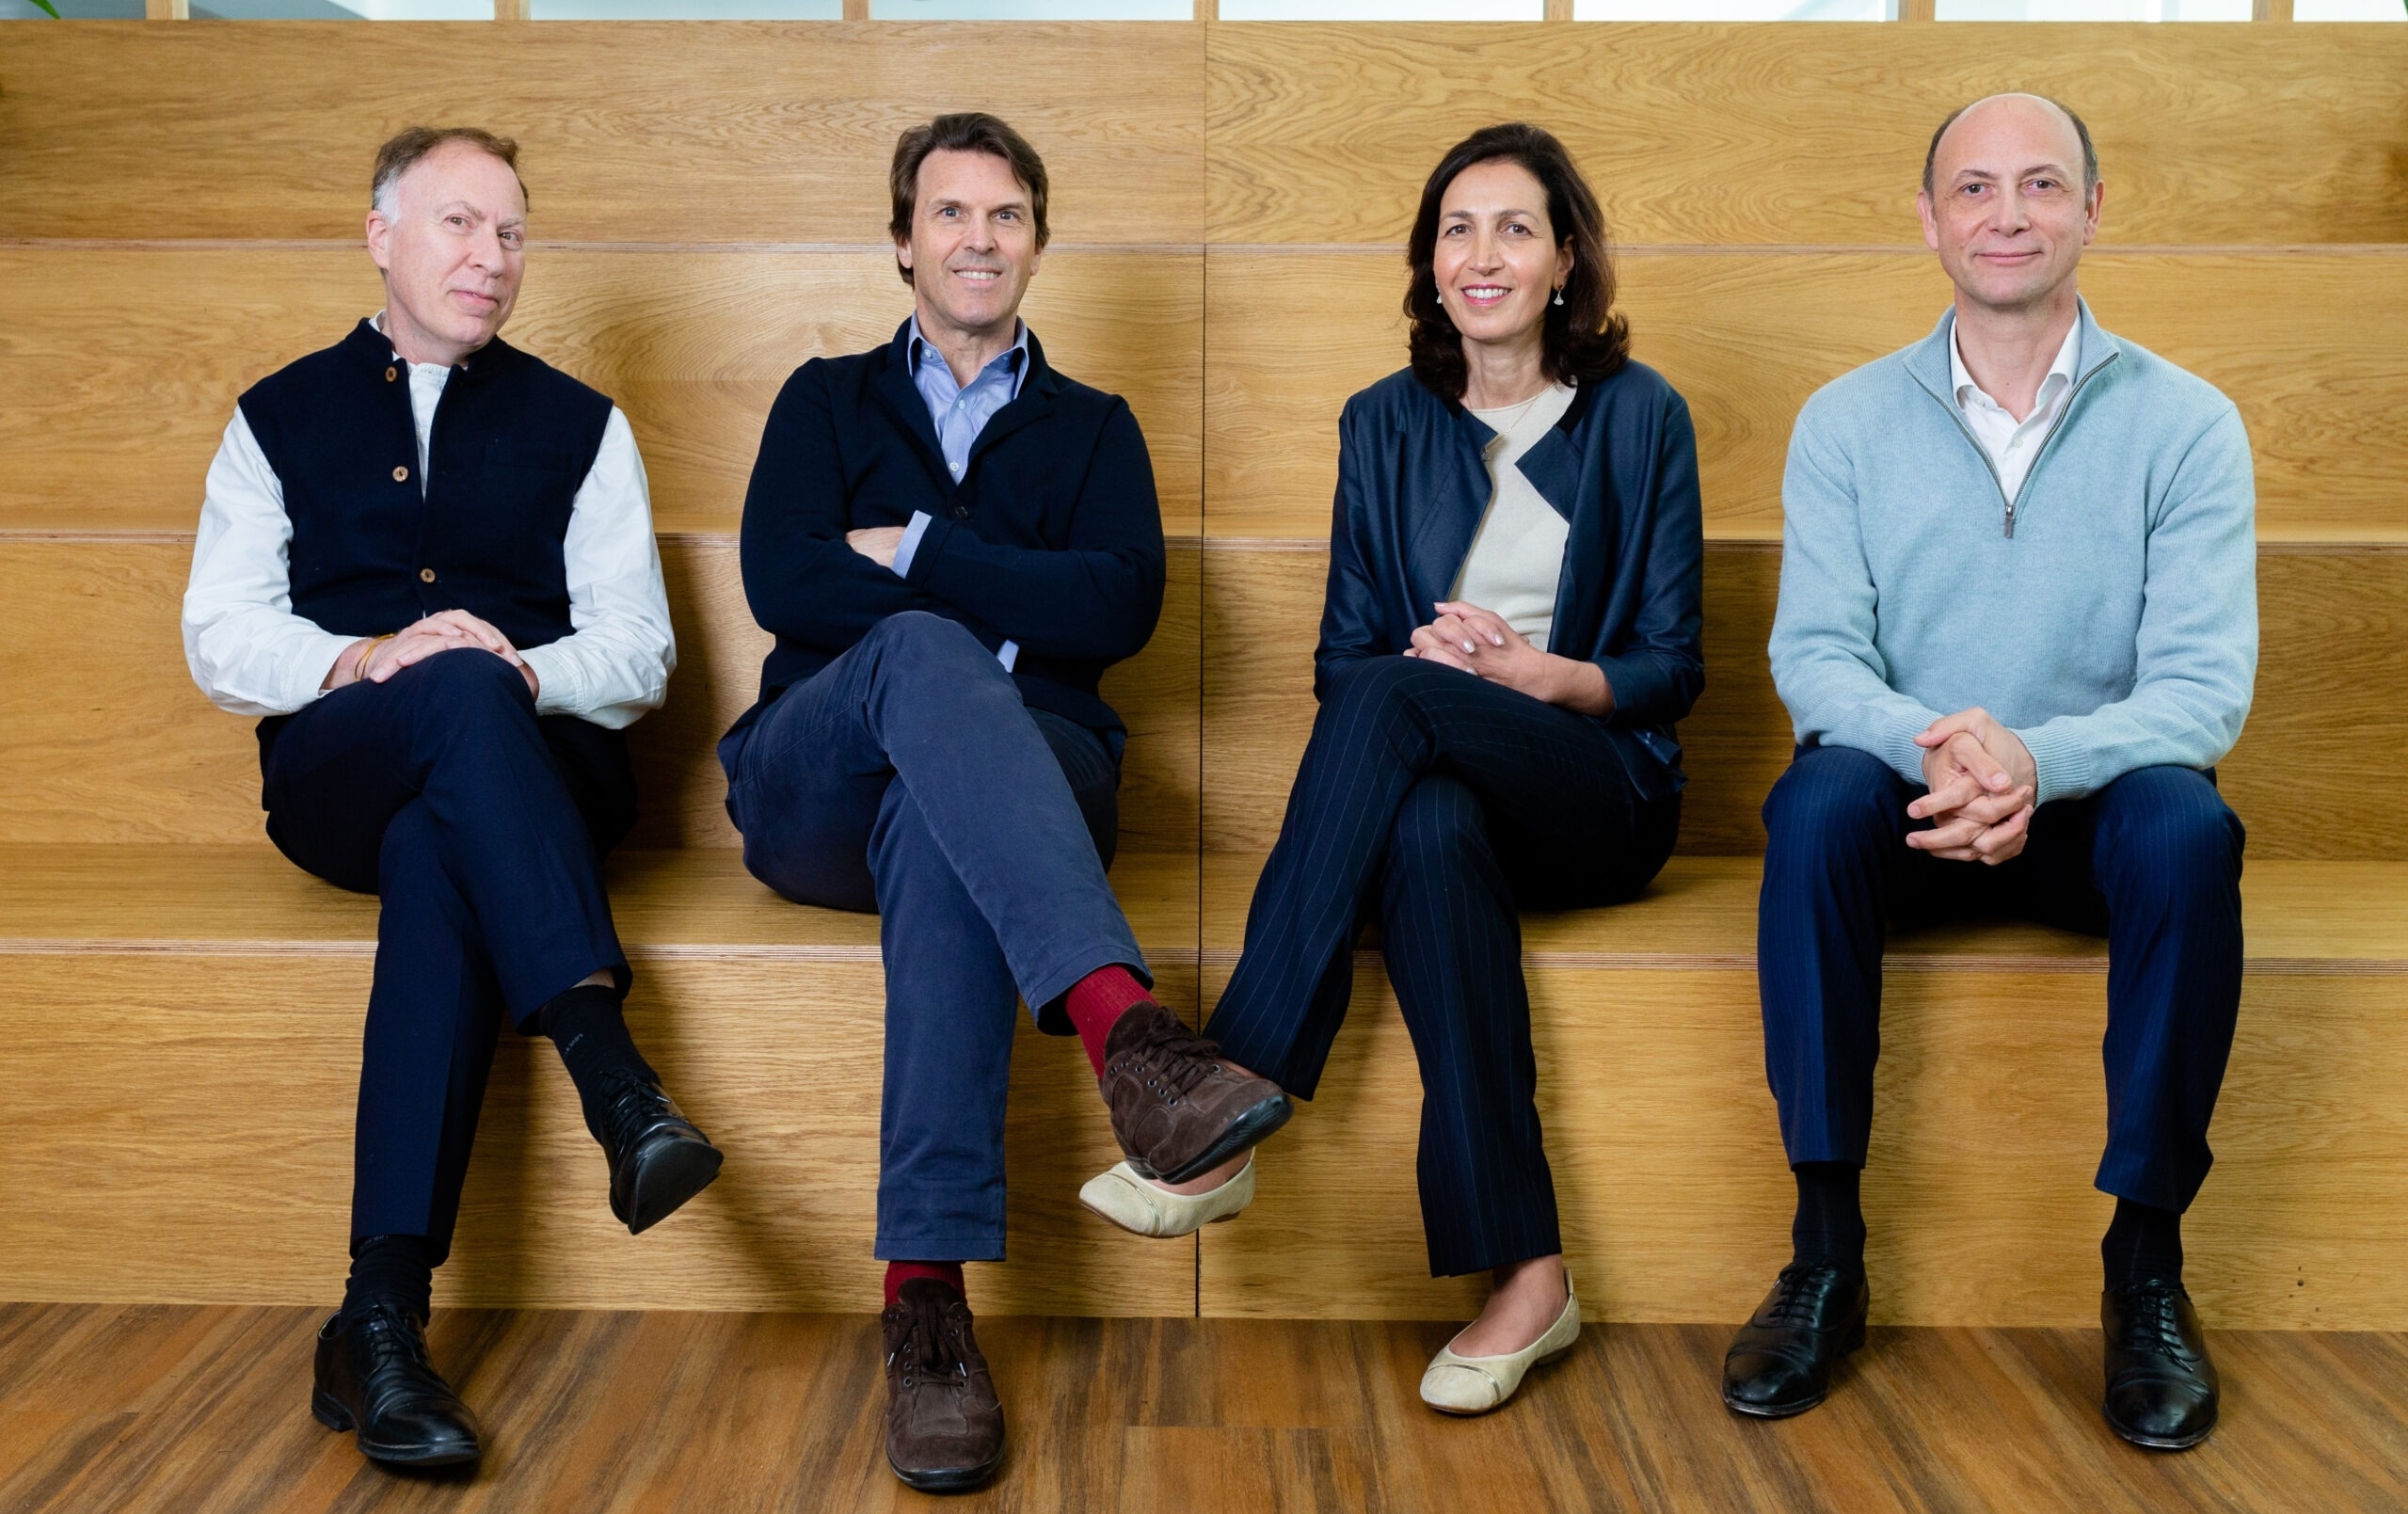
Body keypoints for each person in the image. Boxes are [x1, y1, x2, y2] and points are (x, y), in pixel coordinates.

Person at [1081, 122, 1704, 1418]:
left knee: (1396, 699)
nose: (1484, 255)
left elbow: (1669, 665)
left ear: (1565, 259)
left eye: (1516, 228)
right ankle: (1530, 1277)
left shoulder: (1641, 416)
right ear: (1429, 262)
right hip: (1441, 781)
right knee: (1423, 827)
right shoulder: (1381, 422)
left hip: (1599, 781)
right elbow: (1343, 659)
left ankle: (1226, 1093)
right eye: (1456, 230)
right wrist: (1431, 673)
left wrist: (1532, 675)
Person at [724, 112, 1290, 1492]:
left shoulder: (1095, 428)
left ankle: (924, 1307)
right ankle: (1131, 1039)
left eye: (1005, 216)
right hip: (813, 776)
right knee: (924, 661)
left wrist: (914, 547)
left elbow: (1122, 604)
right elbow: (786, 582)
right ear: (902, 242)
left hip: (1035, 781)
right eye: (950, 213)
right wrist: (998, 615)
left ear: (1037, 243)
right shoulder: (823, 401)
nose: (978, 239)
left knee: (945, 819)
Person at [182, 127, 722, 1471]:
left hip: (535, 782)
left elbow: (639, 653)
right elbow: (220, 636)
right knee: (441, 701)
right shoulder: (276, 416)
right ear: (381, 236)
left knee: (446, 827)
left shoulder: (583, 426)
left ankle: (377, 1319)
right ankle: (609, 1071)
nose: (493, 256)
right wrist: (368, 658)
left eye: (513, 232)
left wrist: (518, 671)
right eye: (460, 224)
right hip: (341, 771)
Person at [1722, 94, 2255, 1452]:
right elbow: (1817, 657)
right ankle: (1825, 1254)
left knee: (2189, 828)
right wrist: (1947, 748)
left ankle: (2146, 1267)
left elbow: (2202, 690)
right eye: (1973, 187)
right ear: (1928, 219)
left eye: (2040, 184)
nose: (2006, 214)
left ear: (2092, 208)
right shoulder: (1844, 421)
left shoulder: (2189, 424)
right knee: (1814, 801)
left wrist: (2037, 759)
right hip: (1908, 803)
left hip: (2093, 820)